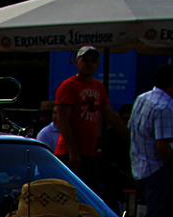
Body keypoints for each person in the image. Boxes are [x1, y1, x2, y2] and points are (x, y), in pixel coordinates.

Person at [54, 46, 128, 201]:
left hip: (90, 153)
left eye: (93, 60)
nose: (89, 63)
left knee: (91, 197)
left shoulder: (97, 86)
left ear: (98, 64)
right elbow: (63, 120)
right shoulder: (68, 86)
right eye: (85, 59)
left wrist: (130, 137)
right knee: (72, 197)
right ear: (77, 62)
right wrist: (73, 151)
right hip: (69, 153)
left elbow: (110, 115)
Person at [130, 63, 173, 217]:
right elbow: (162, 146)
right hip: (156, 168)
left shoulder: (142, 98)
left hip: (139, 167)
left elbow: (132, 131)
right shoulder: (165, 107)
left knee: (150, 213)